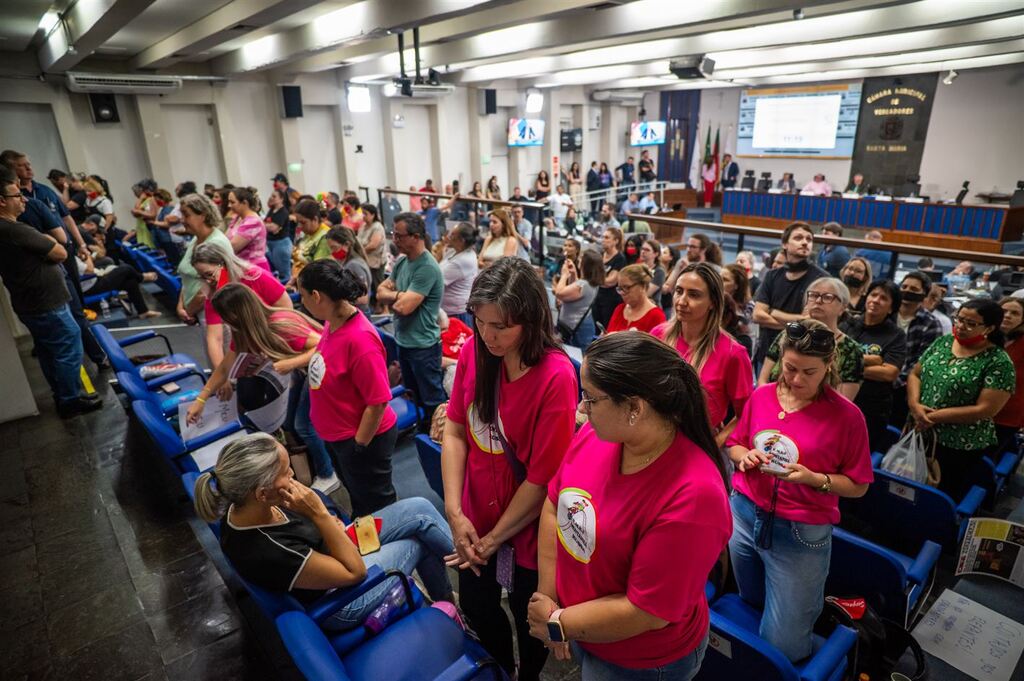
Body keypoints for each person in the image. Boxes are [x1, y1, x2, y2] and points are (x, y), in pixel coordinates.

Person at [528, 332, 730, 680]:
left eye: (590, 398)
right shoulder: (598, 434)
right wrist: (549, 597)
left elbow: (647, 612)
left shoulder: (694, 496)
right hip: (583, 626)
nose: (582, 409)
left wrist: (558, 623)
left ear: (635, 407)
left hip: (642, 659)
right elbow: (553, 504)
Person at [441, 257, 578, 681]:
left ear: (531, 319)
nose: (488, 335)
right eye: (480, 322)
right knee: (479, 609)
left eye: (501, 325)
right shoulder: (476, 352)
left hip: (526, 530)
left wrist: (494, 538)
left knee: (528, 619)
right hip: (476, 515)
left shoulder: (555, 375)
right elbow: (456, 431)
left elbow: (541, 479)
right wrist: (454, 512)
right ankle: (500, 668)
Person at [193, 433, 455, 631]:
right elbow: (354, 573)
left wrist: (327, 525)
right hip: (341, 601)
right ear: (262, 493)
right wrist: (319, 515)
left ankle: (472, 567)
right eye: (286, 472)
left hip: (333, 554)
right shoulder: (266, 550)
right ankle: (452, 609)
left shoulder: (248, 502)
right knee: (418, 542)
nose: (294, 473)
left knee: (419, 509)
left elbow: (312, 531)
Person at [727, 319, 873, 662]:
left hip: (800, 533)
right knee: (750, 602)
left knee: (784, 646)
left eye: (809, 372)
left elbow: (859, 486)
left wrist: (814, 479)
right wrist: (744, 456)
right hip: (745, 515)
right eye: (790, 368)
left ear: (828, 366)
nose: (795, 379)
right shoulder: (762, 395)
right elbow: (735, 444)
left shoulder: (847, 417)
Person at [185, 283, 340, 493]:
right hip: (303, 371)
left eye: (225, 317)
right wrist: (201, 400)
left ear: (236, 314)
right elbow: (224, 367)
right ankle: (320, 462)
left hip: (322, 369)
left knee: (303, 425)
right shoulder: (244, 332)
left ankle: (327, 473)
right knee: (289, 422)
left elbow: (325, 345)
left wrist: (291, 364)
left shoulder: (280, 325)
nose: (223, 322)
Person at [297, 261, 402, 515]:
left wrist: (359, 446)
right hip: (339, 436)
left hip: (362, 441)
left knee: (377, 505)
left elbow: (377, 401)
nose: (301, 302)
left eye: (302, 296)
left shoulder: (360, 339)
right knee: (359, 497)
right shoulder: (332, 322)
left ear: (316, 296)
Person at [0, 180, 99, 417]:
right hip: (46, 303)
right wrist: (51, 242)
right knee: (68, 346)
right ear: (2, 200)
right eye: (17, 196)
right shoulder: (14, 229)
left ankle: (63, 394)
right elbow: (61, 250)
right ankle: (69, 400)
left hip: (31, 302)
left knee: (48, 351)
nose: (23, 199)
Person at [908, 299, 1015, 499]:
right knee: (906, 487)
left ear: (989, 328)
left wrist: (933, 417)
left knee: (939, 494)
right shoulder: (945, 342)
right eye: (959, 319)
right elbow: (915, 374)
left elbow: (985, 410)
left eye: (971, 323)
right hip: (919, 427)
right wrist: (914, 405)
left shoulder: (998, 362)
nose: (960, 326)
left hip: (958, 443)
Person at [654, 263, 754, 445]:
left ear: (713, 302)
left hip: (697, 446)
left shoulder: (733, 353)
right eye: (678, 291)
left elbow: (746, 413)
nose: (681, 301)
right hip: (653, 439)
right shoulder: (658, 334)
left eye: (694, 295)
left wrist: (717, 442)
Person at [376, 212, 447, 432]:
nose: (394, 240)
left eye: (399, 236)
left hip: (424, 347)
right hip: (405, 343)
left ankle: (442, 441)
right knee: (413, 394)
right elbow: (379, 292)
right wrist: (401, 294)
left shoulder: (426, 267)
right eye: (393, 235)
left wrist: (396, 296)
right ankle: (425, 432)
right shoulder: (402, 263)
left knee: (433, 399)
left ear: (416, 237)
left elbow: (403, 308)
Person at [759, 278, 864, 401]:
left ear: (842, 307)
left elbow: (842, 403)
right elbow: (763, 380)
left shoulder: (851, 350)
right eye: (813, 295)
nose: (818, 301)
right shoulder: (789, 334)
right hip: (773, 406)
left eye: (828, 297)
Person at [192, 240, 292, 368]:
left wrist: (272, 340)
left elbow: (287, 309)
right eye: (202, 277)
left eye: (209, 274)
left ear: (223, 264)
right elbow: (214, 338)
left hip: (275, 340)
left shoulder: (255, 276)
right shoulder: (213, 292)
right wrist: (221, 373)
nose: (207, 280)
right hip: (247, 347)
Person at [840, 280, 906, 453]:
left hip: (871, 411)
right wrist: (873, 360)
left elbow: (889, 373)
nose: (876, 300)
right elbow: (831, 357)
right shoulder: (848, 325)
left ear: (892, 308)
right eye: (873, 294)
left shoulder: (896, 335)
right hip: (839, 401)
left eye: (883, 298)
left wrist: (848, 364)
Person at [752, 222, 828, 371]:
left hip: (800, 357)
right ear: (785, 244)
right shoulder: (772, 275)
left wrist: (774, 312)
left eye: (809, 239)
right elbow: (757, 315)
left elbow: (811, 323)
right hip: (767, 352)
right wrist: (797, 324)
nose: (805, 242)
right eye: (798, 238)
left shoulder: (821, 279)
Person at [891, 272, 943, 428]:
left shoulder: (931, 324)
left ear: (924, 295)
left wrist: (895, 380)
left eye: (914, 289)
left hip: (903, 389)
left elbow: (922, 362)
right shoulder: (886, 313)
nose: (907, 291)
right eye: (904, 287)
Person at [175, 193, 234, 326]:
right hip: (198, 312)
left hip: (215, 312)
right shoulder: (196, 239)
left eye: (186, 215)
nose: (182, 220)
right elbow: (187, 277)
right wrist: (181, 306)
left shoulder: (217, 243)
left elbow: (216, 285)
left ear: (203, 215)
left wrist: (189, 312)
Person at [76, 250, 160, 319]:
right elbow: (89, 270)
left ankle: (143, 312)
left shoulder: (73, 256)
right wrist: (87, 256)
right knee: (126, 268)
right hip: (92, 287)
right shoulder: (70, 258)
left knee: (131, 282)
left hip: (95, 279)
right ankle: (142, 277)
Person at [554, 249, 603, 348]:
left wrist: (564, 275)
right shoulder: (591, 283)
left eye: (581, 258)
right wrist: (573, 273)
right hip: (579, 327)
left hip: (576, 330)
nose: (579, 260)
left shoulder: (583, 285)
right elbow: (574, 289)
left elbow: (560, 293)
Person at [994, 297, 1024, 455]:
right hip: (974, 409)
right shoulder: (986, 337)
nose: (1007, 315)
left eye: (1015, 313)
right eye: (1004, 311)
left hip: (1008, 414)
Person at [607, 264, 666, 333]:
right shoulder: (619, 309)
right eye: (620, 288)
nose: (622, 293)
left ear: (643, 286)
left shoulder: (656, 316)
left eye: (627, 287)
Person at [440, 222, 479, 325]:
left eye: (452, 235)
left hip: (457, 314)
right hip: (447, 311)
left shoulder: (464, 260)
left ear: (461, 241)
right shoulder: (453, 251)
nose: (449, 236)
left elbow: (437, 281)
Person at [325, 227, 372, 314]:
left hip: (357, 314)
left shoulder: (354, 265)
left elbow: (362, 298)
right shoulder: (345, 261)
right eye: (330, 248)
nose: (332, 252)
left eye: (334, 247)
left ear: (346, 244)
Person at [224, 187, 270, 272]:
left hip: (254, 268)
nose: (229, 205)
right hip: (241, 266)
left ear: (244, 203)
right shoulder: (238, 218)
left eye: (232, 202)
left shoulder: (253, 221)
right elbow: (224, 240)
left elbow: (232, 246)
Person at [289, 198, 332, 286]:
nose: (300, 226)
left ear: (315, 219)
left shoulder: (325, 237)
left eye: (303, 222)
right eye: (298, 222)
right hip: (300, 281)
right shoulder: (308, 233)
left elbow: (319, 268)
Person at [592, 227, 626, 332]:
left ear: (616, 241)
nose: (603, 240)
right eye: (603, 237)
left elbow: (611, 281)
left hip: (611, 299)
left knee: (606, 328)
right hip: (598, 296)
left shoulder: (619, 258)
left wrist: (594, 278)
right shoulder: (601, 255)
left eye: (607, 237)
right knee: (596, 327)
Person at [722, 263, 754, 357]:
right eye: (718, 277)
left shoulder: (747, 309)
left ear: (736, 285)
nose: (719, 282)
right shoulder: (711, 302)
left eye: (725, 280)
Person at [264, 189, 294, 284]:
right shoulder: (272, 210)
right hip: (271, 243)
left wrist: (264, 225)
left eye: (274, 196)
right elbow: (266, 223)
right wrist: (266, 225)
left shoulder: (283, 211)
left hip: (281, 244)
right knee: (276, 270)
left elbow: (273, 228)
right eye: (271, 196)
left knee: (284, 273)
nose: (271, 198)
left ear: (281, 199)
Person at [639, 238, 666, 307]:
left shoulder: (659, 272)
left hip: (652, 308)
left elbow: (647, 293)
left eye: (647, 250)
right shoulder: (638, 268)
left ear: (656, 254)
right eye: (642, 249)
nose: (643, 252)